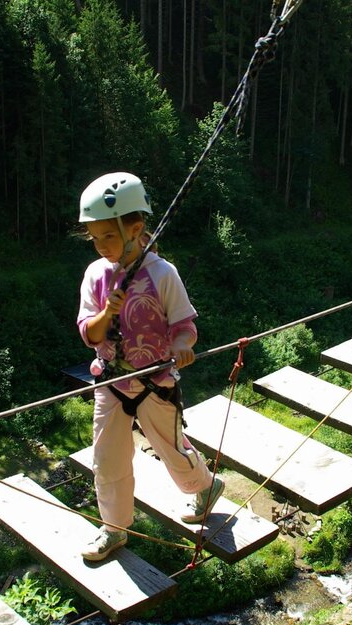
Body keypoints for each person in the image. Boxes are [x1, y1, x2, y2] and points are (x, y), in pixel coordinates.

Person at [76, 172, 224, 562]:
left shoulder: (163, 274)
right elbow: (90, 335)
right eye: (94, 236)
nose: (100, 244)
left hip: (155, 380)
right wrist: (108, 310)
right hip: (110, 382)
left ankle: (205, 486)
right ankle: (113, 529)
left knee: (170, 448)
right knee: (106, 458)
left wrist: (181, 346)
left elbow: (184, 326)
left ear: (136, 228)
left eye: (108, 235)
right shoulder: (96, 275)